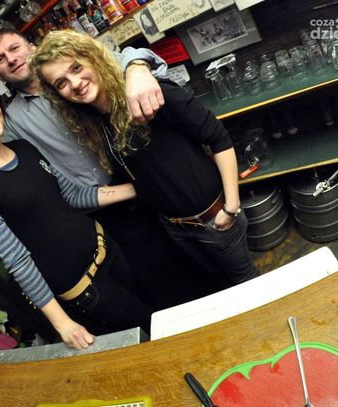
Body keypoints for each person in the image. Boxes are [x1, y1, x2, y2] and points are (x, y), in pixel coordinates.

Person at [0, 29, 217, 308]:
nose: (11, 59)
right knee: (162, 290)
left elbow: (123, 56)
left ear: (33, 47)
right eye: (0, 59)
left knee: (202, 262)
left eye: (15, 48)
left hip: (148, 181)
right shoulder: (10, 121)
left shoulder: (75, 77)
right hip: (102, 213)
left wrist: (136, 68)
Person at [30, 30, 260, 287]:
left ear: (93, 58)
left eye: (76, 67)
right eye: (61, 83)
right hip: (176, 227)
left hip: (214, 219)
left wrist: (230, 207)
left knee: (247, 283)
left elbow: (218, 137)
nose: (74, 83)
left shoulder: (148, 93)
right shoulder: (97, 121)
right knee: (219, 284)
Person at [0, 74, 153, 349]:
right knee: (149, 333)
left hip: (109, 250)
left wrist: (140, 188)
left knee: (156, 312)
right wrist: (62, 323)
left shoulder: (24, 148)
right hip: (86, 289)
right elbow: (16, 260)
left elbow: (72, 195)